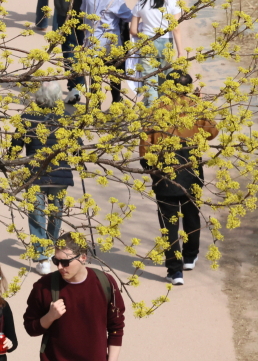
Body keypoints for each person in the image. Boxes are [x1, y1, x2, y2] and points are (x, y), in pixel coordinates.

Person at [23, 232, 126, 361]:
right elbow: (30, 326)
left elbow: (116, 329)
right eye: (56, 261)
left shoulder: (105, 284)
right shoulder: (44, 287)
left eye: (65, 262)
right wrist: (49, 317)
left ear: (83, 258)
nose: (60, 267)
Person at [139, 70, 219, 285]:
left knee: (168, 223)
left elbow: (145, 147)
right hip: (191, 170)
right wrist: (201, 106)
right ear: (189, 88)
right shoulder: (194, 109)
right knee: (191, 215)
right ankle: (190, 256)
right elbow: (212, 133)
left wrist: (150, 169)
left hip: (164, 174)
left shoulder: (155, 109)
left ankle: (175, 271)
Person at [12, 83, 81, 275]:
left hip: (36, 175)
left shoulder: (27, 117)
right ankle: (49, 246)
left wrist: (10, 156)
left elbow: (16, 146)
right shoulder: (65, 118)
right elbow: (77, 146)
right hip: (60, 174)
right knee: (55, 212)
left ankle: (42, 256)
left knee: (37, 215)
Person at [130, 0, 184, 107]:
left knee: (150, 82)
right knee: (165, 79)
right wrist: (180, 52)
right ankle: (164, 110)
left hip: (147, 43)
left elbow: (133, 30)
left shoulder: (141, 3)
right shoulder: (173, 2)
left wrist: (143, 34)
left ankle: (151, 112)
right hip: (166, 44)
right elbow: (176, 28)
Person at [81, 0, 133, 104]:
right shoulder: (115, 1)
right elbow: (129, 16)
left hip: (92, 41)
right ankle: (116, 101)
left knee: (95, 77)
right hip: (111, 43)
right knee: (114, 73)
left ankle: (95, 109)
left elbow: (83, 10)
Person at [54, 0, 85, 103]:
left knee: (70, 48)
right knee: (83, 45)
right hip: (87, 9)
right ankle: (80, 83)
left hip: (67, 10)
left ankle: (75, 86)